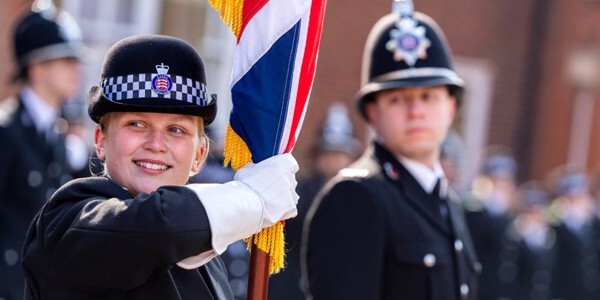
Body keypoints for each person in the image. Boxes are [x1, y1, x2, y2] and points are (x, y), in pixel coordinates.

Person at [21, 35, 300, 299]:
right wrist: (250, 199)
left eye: (176, 129)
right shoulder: (66, 220)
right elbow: (155, 225)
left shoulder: (209, 257)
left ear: (199, 155)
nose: (156, 143)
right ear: (101, 140)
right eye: (136, 124)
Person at [301, 1, 479, 299]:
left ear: (450, 107)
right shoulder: (354, 197)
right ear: (372, 112)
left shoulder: (446, 198)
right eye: (398, 99)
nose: (416, 111)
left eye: (428, 96)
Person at [0, 5, 88, 299]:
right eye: (65, 59)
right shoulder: (5, 131)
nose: (77, 69)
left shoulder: (58, 135)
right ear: (36, 66)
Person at [268, 102, 361, 300]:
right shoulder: (297, 194)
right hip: (295, 286)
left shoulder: (361, 198)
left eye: (340, 154)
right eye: (328, 153)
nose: (333, 160)